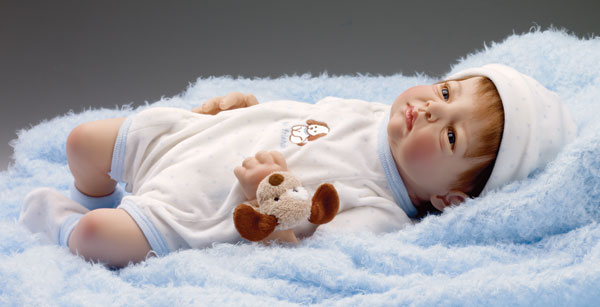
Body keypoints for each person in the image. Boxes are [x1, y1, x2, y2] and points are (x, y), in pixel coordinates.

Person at [18, 64, 576, 267]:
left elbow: (294, 254)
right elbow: (302, 126)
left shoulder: (378, 212)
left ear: (449, 199)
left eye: (449, 134)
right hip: (194, 142)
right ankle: (96, 192)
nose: (430, 107)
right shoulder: (365, 112)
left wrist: (264, 198)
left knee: (95, 237)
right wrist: (233, 113)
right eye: (447, 90)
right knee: (81, 143)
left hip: (200, 203)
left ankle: (65, 219)